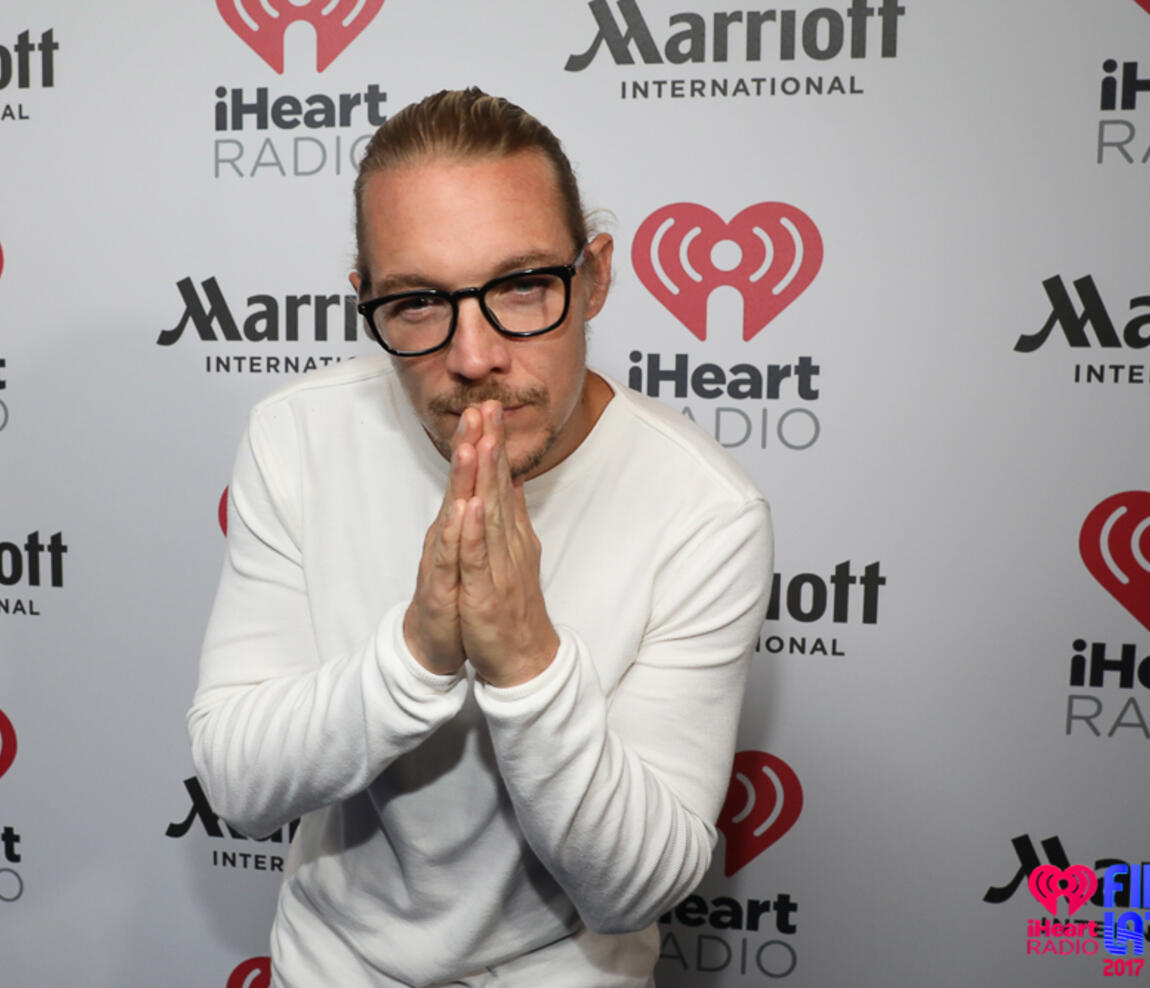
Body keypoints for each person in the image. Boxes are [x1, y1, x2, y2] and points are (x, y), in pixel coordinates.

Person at [188, 87, 773, 987]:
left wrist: (526, 659)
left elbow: (637, 889)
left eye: (522, 285)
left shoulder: (705, 511)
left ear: (594, 277)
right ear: (367, 300)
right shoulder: (297, 434)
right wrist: (418, 651)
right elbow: (236, 783)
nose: (473, 358)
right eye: (418, 302)